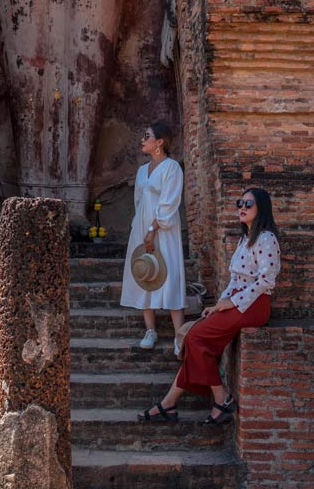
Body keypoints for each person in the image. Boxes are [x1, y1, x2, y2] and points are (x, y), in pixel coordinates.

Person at [137, 187, 281, 424]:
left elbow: (266, 281)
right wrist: (218, 305)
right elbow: (235, 279)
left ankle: (221, 398)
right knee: (195, 339)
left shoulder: (266, 238)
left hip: (254, 305)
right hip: (236, 303)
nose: (242, 208)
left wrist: (231, 302)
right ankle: (169, 403)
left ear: (261, 208)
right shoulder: (245, 238)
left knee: (195, 338)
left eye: (248, 204)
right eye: (240, 203)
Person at [120, 122, 186, 352]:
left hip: (164, 230)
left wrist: (153, 229)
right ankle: (150, 329)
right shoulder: (141, 171)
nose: (142, 140)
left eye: (147, 136)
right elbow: (139, 202)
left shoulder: (172, 168)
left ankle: (180, 335)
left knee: (170, 275)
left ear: (160, 142)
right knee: (145, 273)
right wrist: (140, 230)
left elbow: (169, 202)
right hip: (141, 228)